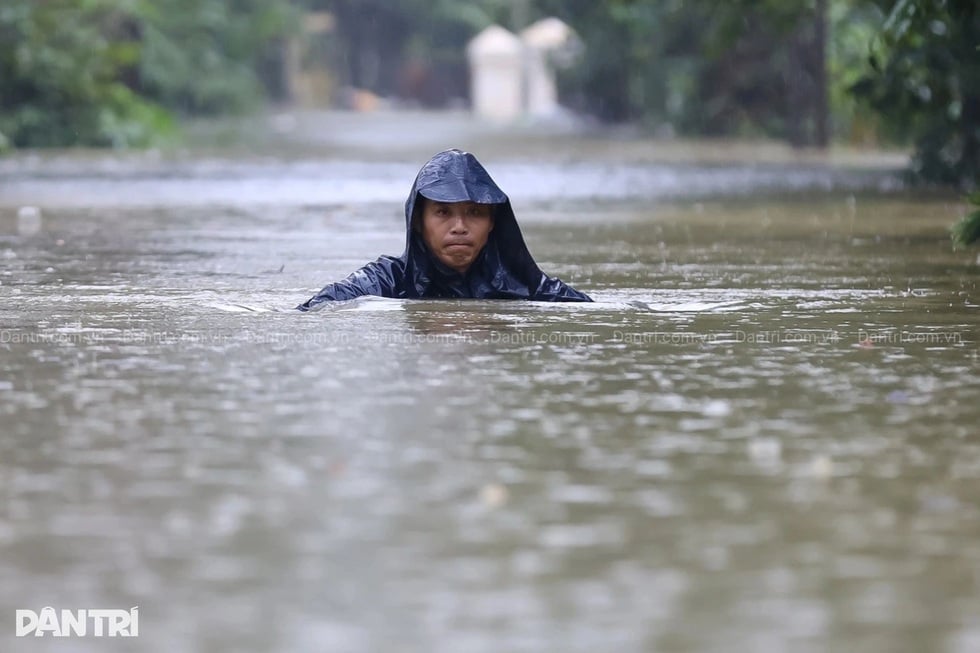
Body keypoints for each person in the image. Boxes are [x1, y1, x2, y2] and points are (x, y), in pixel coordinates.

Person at [297, 149, 592, 310]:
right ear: (418, 220)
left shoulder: (524, 285)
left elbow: (593, 311)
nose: (460, 227)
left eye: (474, 213)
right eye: (443, 212)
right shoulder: (387, 280)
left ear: (492, 222)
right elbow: (319, 307)